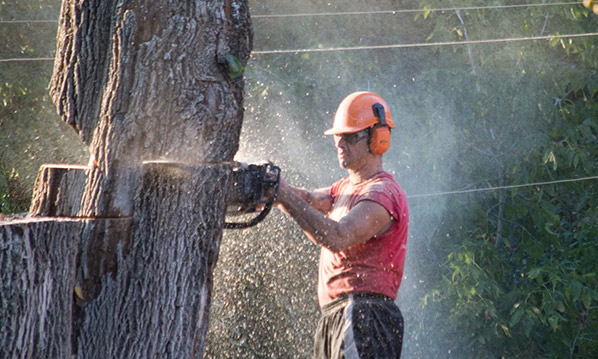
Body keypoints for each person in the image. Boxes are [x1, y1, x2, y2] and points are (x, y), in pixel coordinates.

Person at [275, 91, 409, 359]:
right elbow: (309, 199)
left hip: (363, 315)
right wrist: (269, 188)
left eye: (349, 137)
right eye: (338, 137)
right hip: (338, 315)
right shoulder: (344, 189)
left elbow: (336, 236)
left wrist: (282, 195)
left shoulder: (382, 194)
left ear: (378, 138)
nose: (340, 143)